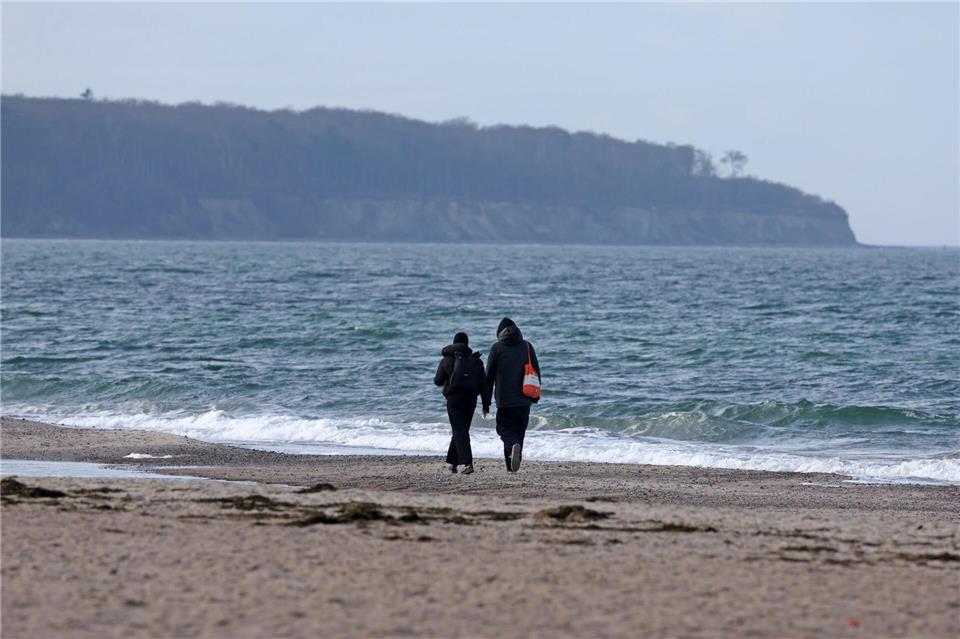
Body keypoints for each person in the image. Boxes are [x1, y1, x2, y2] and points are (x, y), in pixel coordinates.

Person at [485, 318, 540, 472]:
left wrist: (485, 402)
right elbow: (535, 370)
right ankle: (513, 466)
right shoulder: (527, 346)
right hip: (524, 399)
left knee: (504, 430)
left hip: (504, 400)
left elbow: (488, 377)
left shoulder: (497, 348)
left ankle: (511, 463)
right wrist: (535, 396)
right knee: (519, 431)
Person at [434, 332, 491, 474]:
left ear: (453, 343)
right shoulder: (476, 361)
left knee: (459, 430)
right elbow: (484, 385)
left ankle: (467, 463)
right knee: (461, 430)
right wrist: (486, 405)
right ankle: (452, 462)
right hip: (471, 399)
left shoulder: (447, 359)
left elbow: (438, 381)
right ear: (467, 344)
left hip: (454, 399)